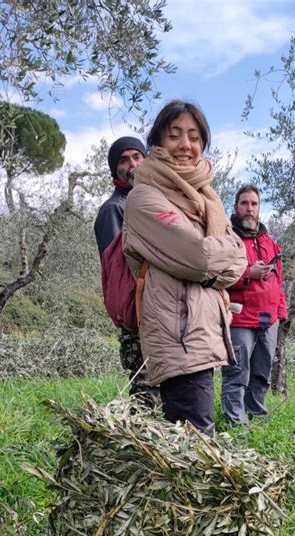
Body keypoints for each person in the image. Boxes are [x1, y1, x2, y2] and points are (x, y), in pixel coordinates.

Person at [122, 101, 247, 434]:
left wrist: (219, 259)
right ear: (158, 142)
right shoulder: (145, 197)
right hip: (178, 337)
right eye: (174, 135)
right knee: (197, 439)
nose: (185, 145)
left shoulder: (207, 198)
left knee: (190, 444)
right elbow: (198, 257)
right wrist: (219, 258)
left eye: (194, 136)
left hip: (202, 332)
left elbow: (239, 263)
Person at [94, 136, 160, 407]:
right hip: (139, 316)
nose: (132, 164)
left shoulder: (150, 202)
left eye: (137, 156)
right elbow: (120, 273)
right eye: (123, 160)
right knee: (147, 395)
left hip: (158, 311)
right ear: (115, 169)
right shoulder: (113, 210)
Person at [221, 184, 287, 425]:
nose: (249, 209)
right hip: (239, 319)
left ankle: (257, 420)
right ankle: (236, 425)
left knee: (261, 375)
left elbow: (279, 281)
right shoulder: (227, 239)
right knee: (237, 374)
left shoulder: (270, 242)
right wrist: (249, 273)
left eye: (254, 204)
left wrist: (281, 314)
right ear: (236, 207)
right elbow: (217, 276)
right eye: (244, 204)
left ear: (259, 208)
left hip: (269, 320)